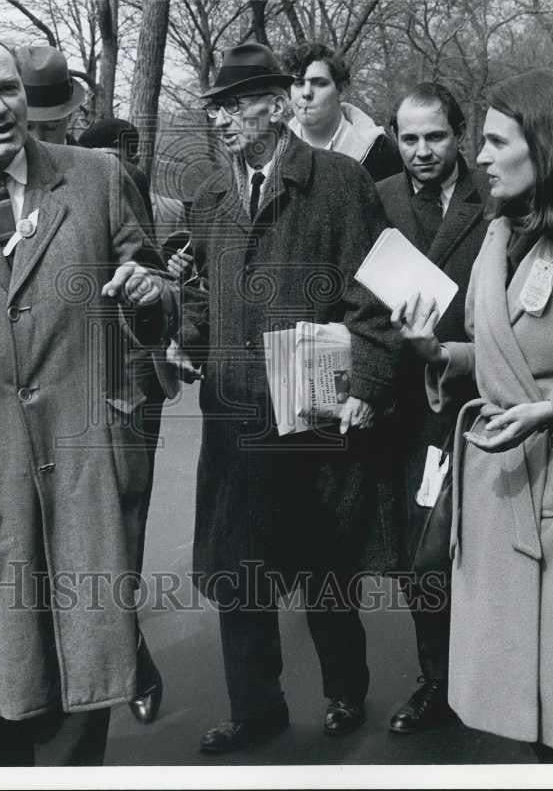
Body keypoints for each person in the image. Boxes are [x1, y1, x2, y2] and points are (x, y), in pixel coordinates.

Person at [0, 33, 173, 766]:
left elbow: (161, 291)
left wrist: (152, 292)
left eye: (7, 88)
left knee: (82, 667)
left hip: (85, 465)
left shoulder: (95, 177)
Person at [177, 42, 400, 754]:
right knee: (239, 570)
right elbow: (203, 299)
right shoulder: (211, 195)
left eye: (235, 106)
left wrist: (365, 382)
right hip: (234, 415)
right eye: (215, 109)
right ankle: (255, 708)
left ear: (276, 107)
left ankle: (344, 692)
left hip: (311, 409)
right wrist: (187, 332)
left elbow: (377, 295)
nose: (222, 122)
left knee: (322, 564)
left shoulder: (337, 182)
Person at [392, 68, 553, 761]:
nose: (478, 157)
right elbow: (497, 352)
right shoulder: (500, 239)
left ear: (545, 146)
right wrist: (437, 352)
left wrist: (551, 411)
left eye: (496, 141)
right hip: (502, 484)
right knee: (528, 700)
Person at [376, 82, 490, 733]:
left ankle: (491, 678)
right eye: (409, 138)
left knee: (483, 552)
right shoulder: (381, 200)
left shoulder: (497, 201)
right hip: (405, 408)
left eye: (435, 137)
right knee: (417, 557)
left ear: (459, 134)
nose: (421, 151)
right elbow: (358, 298)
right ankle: (436, 683)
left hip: (480, 401)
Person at [78, 116, 167, 724]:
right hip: (47, 395)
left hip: (119, 391)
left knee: (121, 526)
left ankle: (128, 648)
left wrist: (134, 389)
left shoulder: (117, 183)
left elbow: (148, 279)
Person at [282, 41, 402, 181]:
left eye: (319, 83)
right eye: (299, 83)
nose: (306, 93)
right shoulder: (274, 152)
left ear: (340, 89)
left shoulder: (381, 152)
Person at [15, 44, 87, 145]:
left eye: (50, 128)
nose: (38, 139)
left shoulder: (90, 160)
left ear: (70, 116)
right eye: (28, 127)